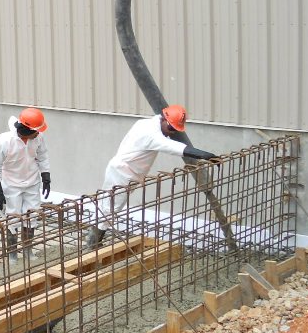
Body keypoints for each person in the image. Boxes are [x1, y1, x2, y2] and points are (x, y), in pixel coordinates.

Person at [87, 104, 218, 249]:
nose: (172, 133)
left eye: (175, 130)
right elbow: (174, 147)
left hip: (126, 171)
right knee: (110, 209)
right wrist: (205, 155)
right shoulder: (151, 135)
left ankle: (94, 240)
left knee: (108, 206)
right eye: (171, 129)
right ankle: (92, 244)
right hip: (122, 173)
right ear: (164, 119)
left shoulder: (145, 123)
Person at [0, 107, 51, 261]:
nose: (39, 133)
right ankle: (12, 254)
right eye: (36, 130)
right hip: (11, 185)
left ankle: (28, 251)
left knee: (32, 216)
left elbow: (43, 156)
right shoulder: (4, 141)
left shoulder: (38, 137)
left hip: (32, 182)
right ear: (27, 129)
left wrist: (45, 176)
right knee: (13, 218)